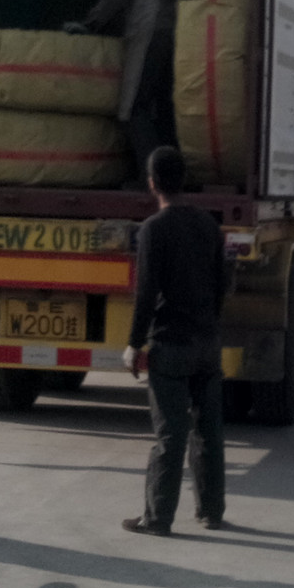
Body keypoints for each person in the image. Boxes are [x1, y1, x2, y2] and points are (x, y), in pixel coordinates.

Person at [121, 146, 226, 536]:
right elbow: (222, 283)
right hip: (206, 343)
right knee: (208, 431)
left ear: (152, 184)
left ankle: (158, 517)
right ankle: (211, 511)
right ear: (184, 181)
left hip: (171, 345)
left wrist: (134, 344)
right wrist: (209, 324)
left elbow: (146, 292)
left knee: (170, 434)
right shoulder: (209, 225)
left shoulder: (154, 229)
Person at [66, 0, 183, 179]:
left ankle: (153, 178)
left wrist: (92, 23)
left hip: (147, 25)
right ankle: (176, 173)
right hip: (171, 27)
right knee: (162, 106)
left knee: (132, 108)